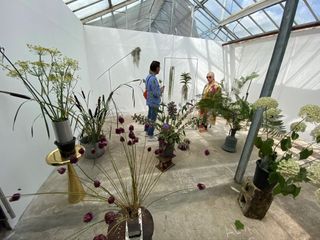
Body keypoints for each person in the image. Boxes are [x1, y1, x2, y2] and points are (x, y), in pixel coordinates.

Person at [145, 61, 164, 139]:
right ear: (156, 68)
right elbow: (156, 93)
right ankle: (150, 134)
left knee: (149, 116)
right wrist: (161, 90)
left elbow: (150, 89)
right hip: (154, 102)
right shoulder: (153, 79)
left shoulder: (148, 76)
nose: (159, 69)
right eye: (159, 67)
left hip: (149, 100)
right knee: (153, 118)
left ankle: (146, 129)